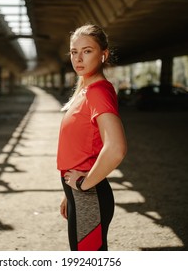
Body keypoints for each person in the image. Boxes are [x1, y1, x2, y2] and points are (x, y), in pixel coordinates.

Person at [57, 24, 127, 251]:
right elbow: (83, 149)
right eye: (74, 52)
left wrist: (83, 185)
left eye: (87, 51)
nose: (78, 58)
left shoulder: (98, 91)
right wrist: (71, 193)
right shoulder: (85, 91)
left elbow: (116, 148)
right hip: (81, 195)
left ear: (103, 54)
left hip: (90, 195)